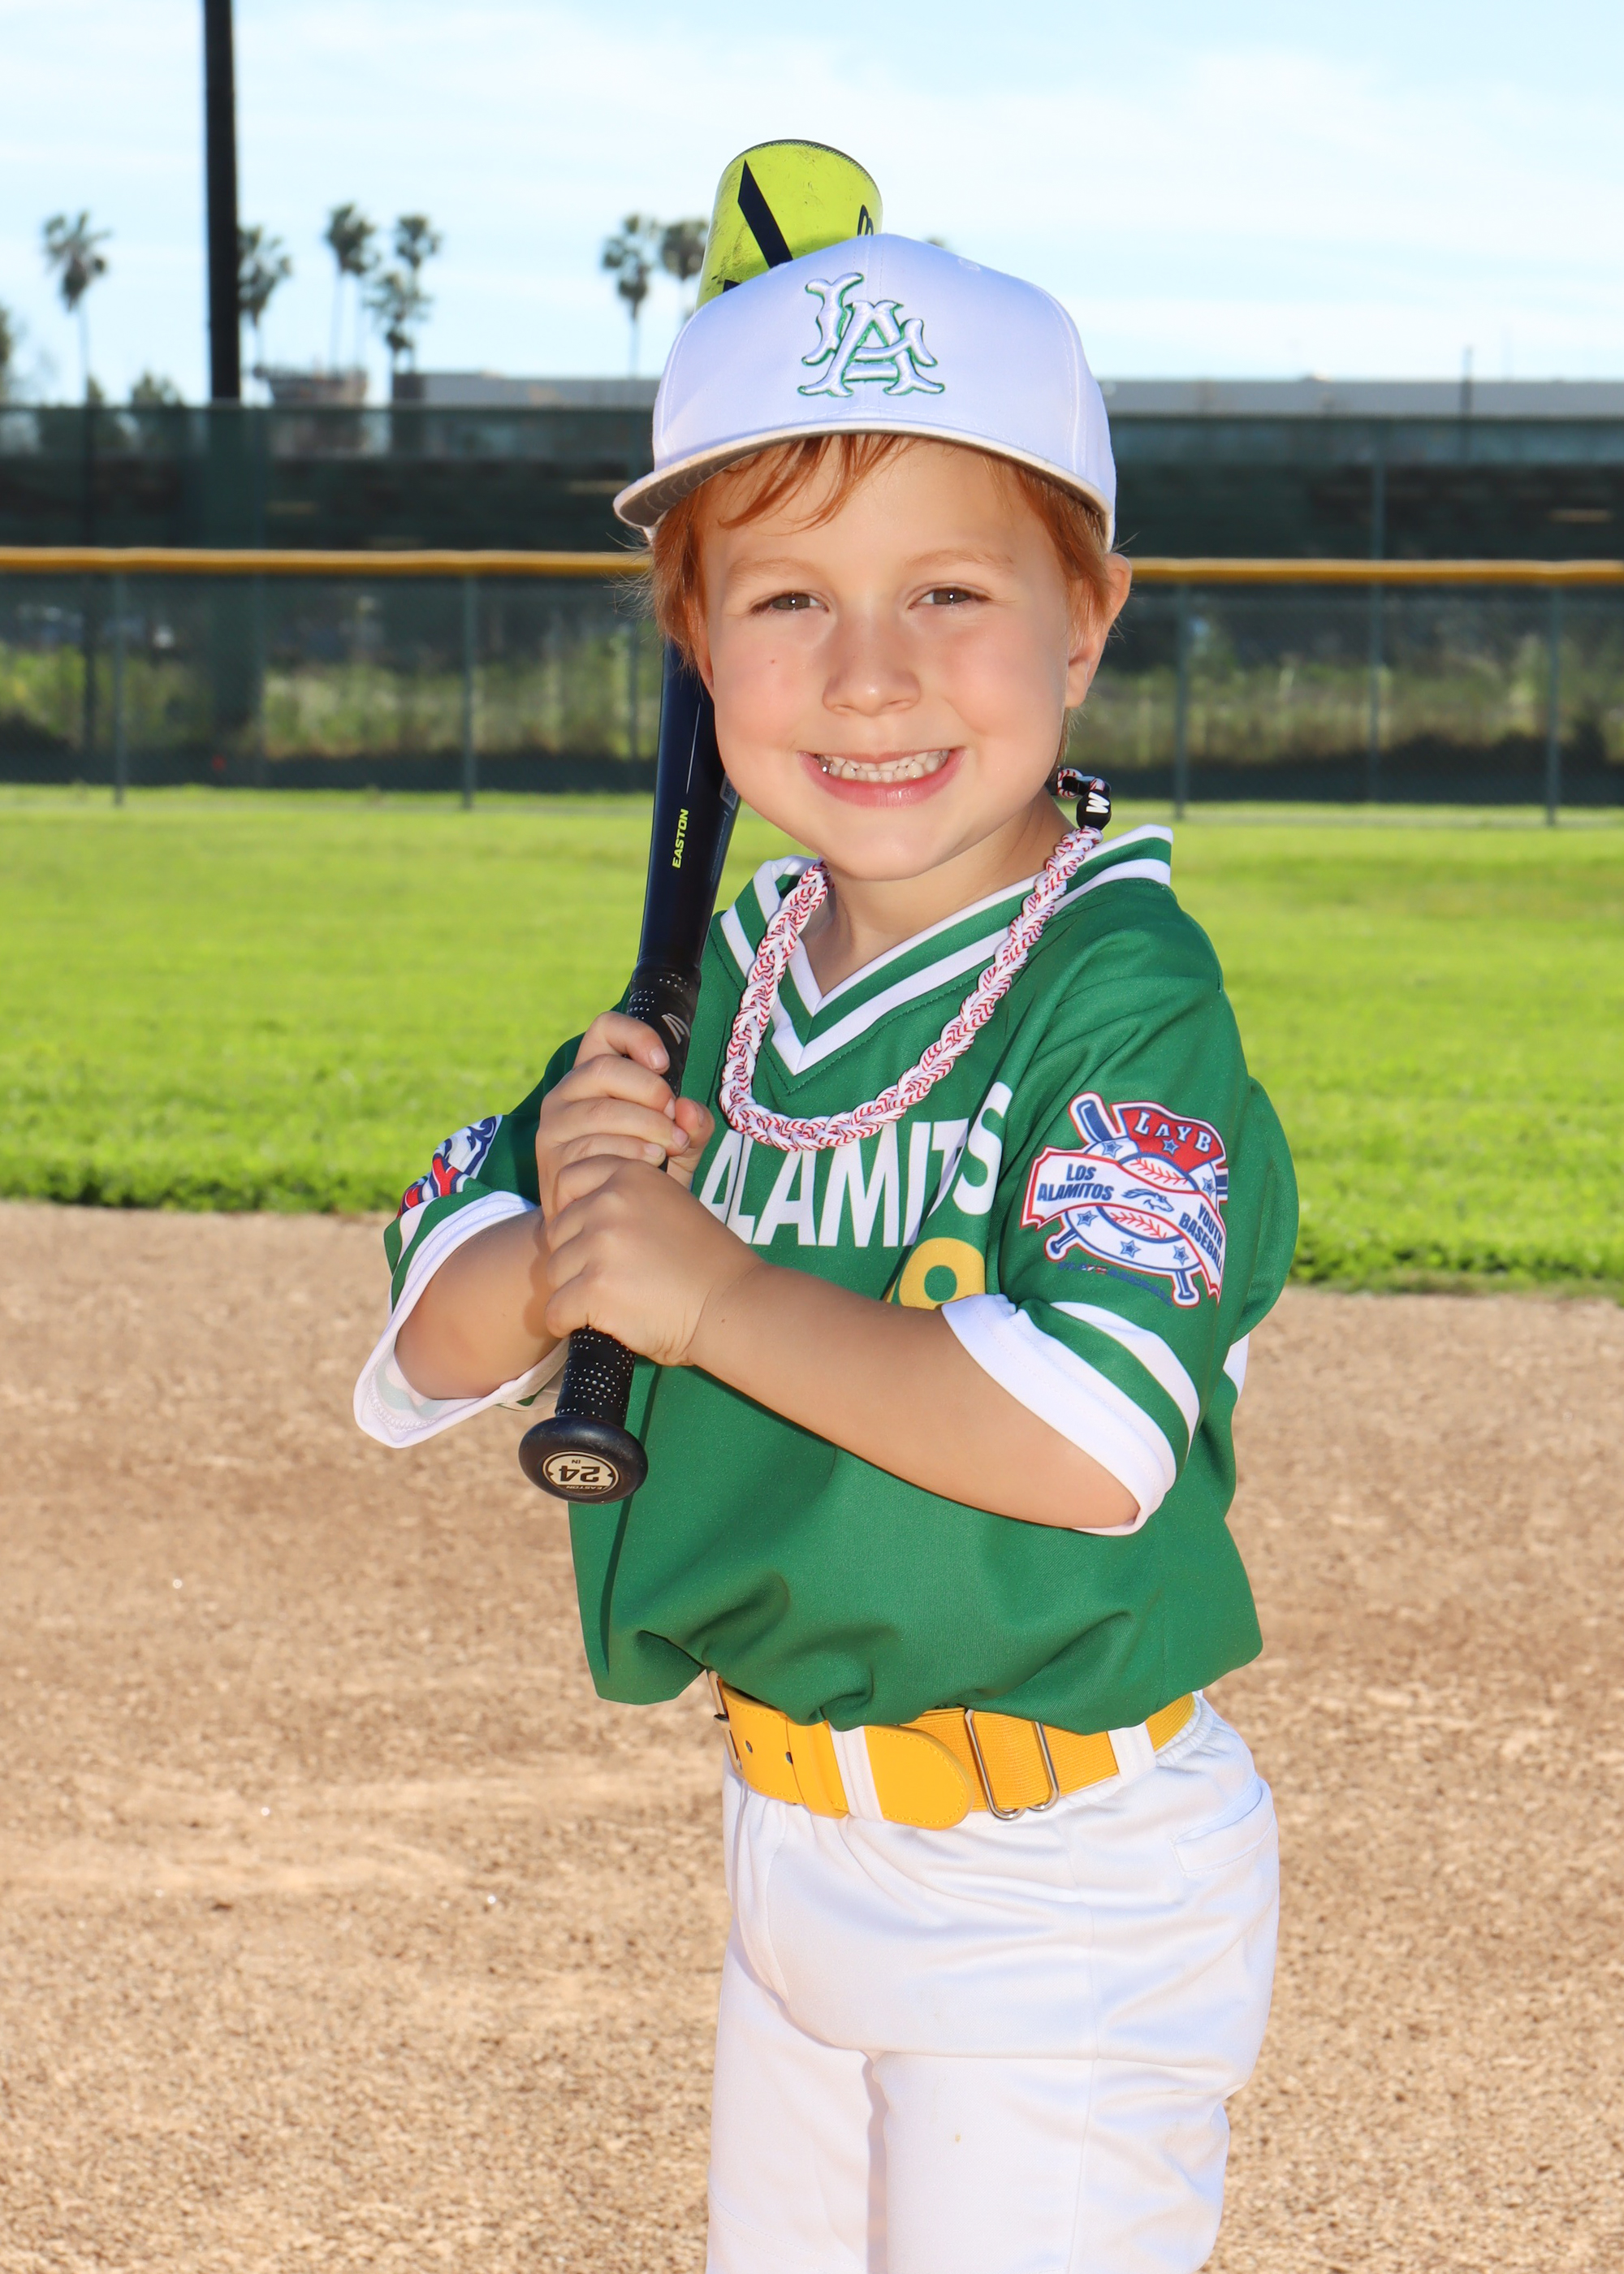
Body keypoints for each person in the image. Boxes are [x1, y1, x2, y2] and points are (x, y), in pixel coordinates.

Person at [355, 233, 1298, 2274]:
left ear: (1086, 618)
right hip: (787, 1841)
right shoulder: (708, 996)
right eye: (787, 599)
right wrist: (566, 1249)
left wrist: (703, 1292)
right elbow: (427, 1347)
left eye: (949, 592)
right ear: (697, 645)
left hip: (1057, 1880)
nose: (870, 673)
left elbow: (1088, 1436)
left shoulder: (1121, 994)